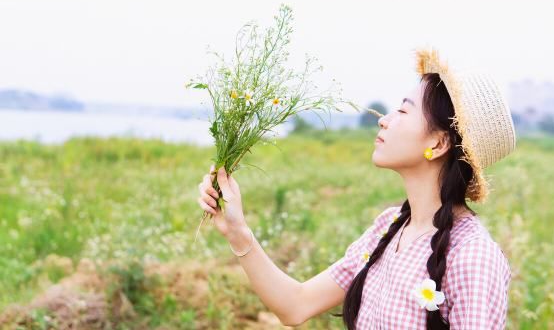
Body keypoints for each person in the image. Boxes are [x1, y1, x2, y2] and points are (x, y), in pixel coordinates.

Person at [197, 47, 517, 329]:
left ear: (439, 141)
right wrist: (238, 232)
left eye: (404, 111)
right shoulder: (388, 228)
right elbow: (295, 305)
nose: (384, 120)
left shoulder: (471, 255)